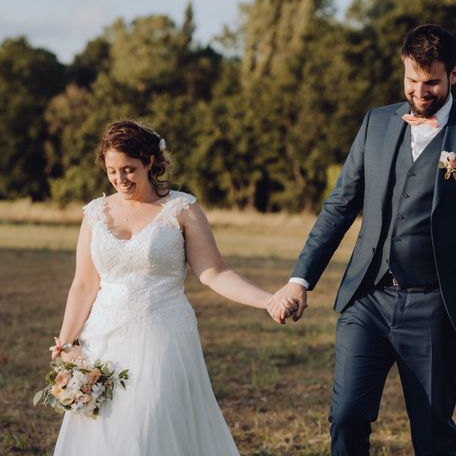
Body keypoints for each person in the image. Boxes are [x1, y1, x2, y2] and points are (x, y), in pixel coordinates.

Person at [268, 24, 456, 455]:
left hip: (433, 307)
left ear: (453, 76)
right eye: (411, 79)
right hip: (367, 299)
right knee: (347, 417)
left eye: (431, 82)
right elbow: (339, 206)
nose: (420, 91)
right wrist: (300, 281)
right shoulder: (376, 122)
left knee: (433, 437)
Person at [50, 120, 290, 455]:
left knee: (153, 421)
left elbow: (215, 273)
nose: (120, 180)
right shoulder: (95, 213)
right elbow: (84, 284)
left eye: (129, 169)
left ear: (150, 161)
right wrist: (64, 343)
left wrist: (268, 300)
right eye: (111, 171)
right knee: (107, 428)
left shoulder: (182, 209)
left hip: (163, 335)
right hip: (103, 338)